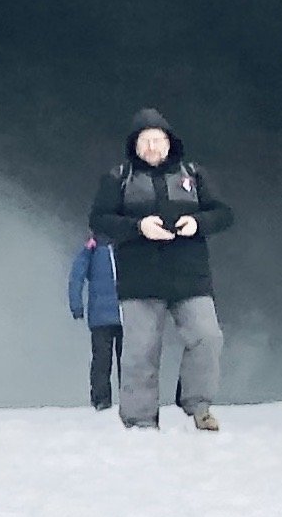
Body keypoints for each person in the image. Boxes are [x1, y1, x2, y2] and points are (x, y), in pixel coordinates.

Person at [89, 109, 232, 430]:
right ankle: (140, 421)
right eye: (145, 141)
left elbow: (224, 213)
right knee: (140, 353)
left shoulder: (193, 175)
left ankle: (199, 406)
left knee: (207, 337)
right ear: (135, 146)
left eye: (158, 140)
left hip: (190, 276)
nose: (152, 147)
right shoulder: (118, 178)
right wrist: (139, 227)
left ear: (170, 143)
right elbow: (99, 220)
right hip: (139, 279)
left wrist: (197, 222)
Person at [68, 216, 122, 412]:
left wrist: (76, 305)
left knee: (101, 360)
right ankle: (130, 398)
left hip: (99, 317)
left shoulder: (90, 250)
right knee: (127, 359)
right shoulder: (124, 248)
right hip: (127, 312)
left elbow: (76, 277)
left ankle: (101, 400)